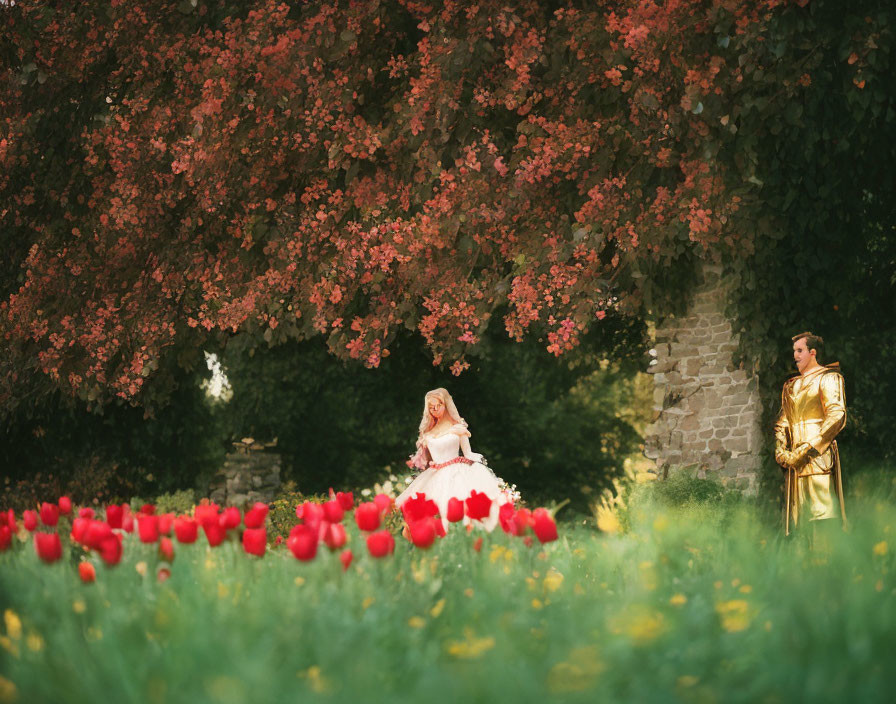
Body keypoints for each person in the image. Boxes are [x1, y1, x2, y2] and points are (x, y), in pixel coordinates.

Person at [396, 388, 514, 532]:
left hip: (457, 470)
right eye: (431, 407)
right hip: (436, 474)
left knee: (464, 504)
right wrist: (427, 461)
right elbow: (428, 460)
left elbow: (468, 452)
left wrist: (478, 465)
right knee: (433, 508)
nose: (435, 410)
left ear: (445, 404)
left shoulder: (457, 426)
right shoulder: (428, 433)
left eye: (438, 406)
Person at [774, 331, 847, 537]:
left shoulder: (829, 377)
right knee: (800, 523)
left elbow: (836, 416)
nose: (795, 355)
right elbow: (783, 422)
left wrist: (807, 448)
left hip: (818, 459)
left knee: (823, 516)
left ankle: (826, 565)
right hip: (794, 464)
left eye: (800, 350)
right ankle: (804, 567)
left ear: (812, 352)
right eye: (794, 351)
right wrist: (781, 450)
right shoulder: (792, 385)